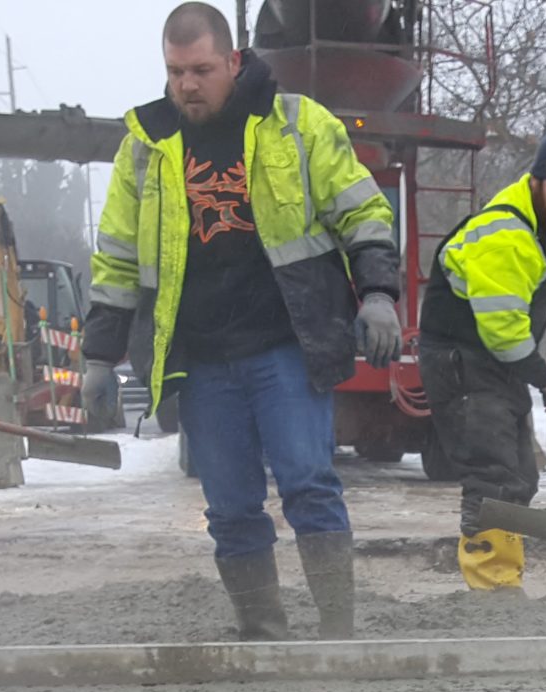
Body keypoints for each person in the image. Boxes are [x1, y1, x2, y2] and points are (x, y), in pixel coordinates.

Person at [81, 3, 402, 640]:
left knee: (308, 483)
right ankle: (262, 632)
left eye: (200, 69)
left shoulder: (299, 125)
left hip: (286, 344)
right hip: (198, 360)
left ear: (233, 60)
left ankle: (338, 632)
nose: (187, 85)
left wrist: (378, 293)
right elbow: (115, 258)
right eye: (175, 72)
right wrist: (98, 356)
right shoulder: (144, 149)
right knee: (229, 507)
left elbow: (362, 212)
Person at [417, 131, 546, 590]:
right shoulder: (508, 234)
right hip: (465, 362)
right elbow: (502, 331)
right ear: (537, 182)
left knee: (519, 477)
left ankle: (502, 579)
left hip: (492, 364)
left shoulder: (542, 233)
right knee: (492, 477)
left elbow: (532, 292)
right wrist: (545, 383)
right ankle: (491, 591)